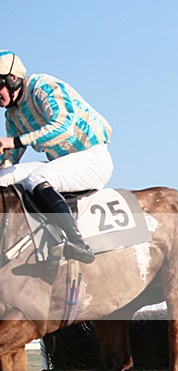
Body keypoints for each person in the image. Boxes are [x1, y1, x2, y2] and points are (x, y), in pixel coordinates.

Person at [0, 50, 113, 264]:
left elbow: (63, 127)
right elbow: (10, 159)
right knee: (4, 177)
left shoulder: (42, 86)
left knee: (36, 179)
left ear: (12, 79)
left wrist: (14, 141)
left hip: (92, 157)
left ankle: (78, 244)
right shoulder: (12, 115)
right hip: (62, 163)